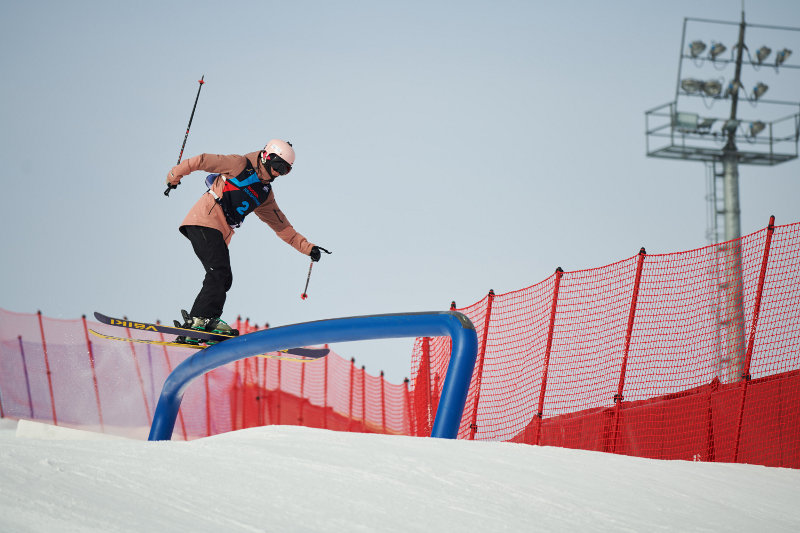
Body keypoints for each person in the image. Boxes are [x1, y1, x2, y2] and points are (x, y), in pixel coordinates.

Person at [165, 139, 330, 343]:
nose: (279, 173)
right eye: (279, 166)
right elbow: (202, 161)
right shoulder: (239, 164)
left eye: (286, 170)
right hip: (204, 220)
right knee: (219, 271)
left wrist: (308, 248)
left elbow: (283, 227)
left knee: (225, 277)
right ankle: (200, 319)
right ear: (266, 157)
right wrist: (175, 175)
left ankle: (207, 321)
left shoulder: (264, 194)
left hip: (220, 231)